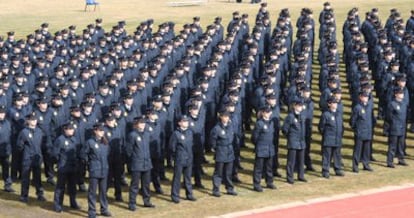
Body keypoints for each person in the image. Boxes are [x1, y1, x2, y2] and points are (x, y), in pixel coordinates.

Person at [81, 123, 112, 218]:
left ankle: (104, 209)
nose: (102, 132)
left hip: (104, 170)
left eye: (103, 130)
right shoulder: (90, 142)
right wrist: (89, 163)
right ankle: (92, 211)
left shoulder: (105, 142)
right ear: (95, 131)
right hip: (94, 170)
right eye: (100, 130)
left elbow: (108, 153)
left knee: (103, 191)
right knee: (92, 192)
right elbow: (83, 154)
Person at [125, 116, 155, 211]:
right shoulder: (132, 135)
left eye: (144, 123)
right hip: (137, 163)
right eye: (141, 123)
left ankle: (146, 201)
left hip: (147, 163)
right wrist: (134, 159)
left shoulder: (147, 134)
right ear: (136, 124)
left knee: (146, 184)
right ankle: (132, 203)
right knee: (135, 185)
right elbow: (128, 150)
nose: (142, 125)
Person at [17, 113, 46, 202]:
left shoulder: (39, 131)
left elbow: (42, 144)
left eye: (35, 119)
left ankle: (40, 194)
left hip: (37, 157)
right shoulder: (24, 132)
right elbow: (19, 145)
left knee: (37, 177)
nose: (34, 121)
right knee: (26, 177)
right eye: (32, 120)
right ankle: (24, 195)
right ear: (28, 121)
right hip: (27, 157)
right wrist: (26, 152)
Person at [52, 122, 80, 212]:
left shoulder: (75, 139)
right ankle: (58, 205)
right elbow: (55, 154)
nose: (71, 130)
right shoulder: (60, 140)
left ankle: (73, 202)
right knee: (60, 186)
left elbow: (77, 152)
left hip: (73, 166)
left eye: (72, 129)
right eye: (69, 129)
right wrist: (59, 162)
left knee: (72, 186)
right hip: (63, 166)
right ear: (65, 130)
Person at [210, 109, 238, 197]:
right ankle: (216, 189)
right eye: (224, 116)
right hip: (221, 151)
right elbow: (212, 141)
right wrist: (216, 148)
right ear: (221, 117)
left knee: (228, 172)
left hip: (229, 151)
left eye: (227, 116)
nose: (226, 118)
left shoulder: (231, 126)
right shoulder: (216, 128)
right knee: (218, 172)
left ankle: (229, 188)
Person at [170, 115, 196, 203]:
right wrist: (175, 157)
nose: (186, 123)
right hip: (179, 158)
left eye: (187, 121)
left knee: (188, 177)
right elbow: (172, 147)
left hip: (189, 158)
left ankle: (189, 194)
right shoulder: (176, 134)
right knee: (177, 177)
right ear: (179, 123)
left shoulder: (190, 132)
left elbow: (192, 144)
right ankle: (175, 195)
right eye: (184, 121)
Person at [251, 106, 276, 192]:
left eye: (269, 112)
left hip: (269, 148)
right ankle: (256, 184)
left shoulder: (271, 123)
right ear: (263, 113)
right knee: (259, 168)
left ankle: (269, 182)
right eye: (267, 112)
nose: (269, 113)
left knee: (269, 167)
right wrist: (258, 145)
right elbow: (254, 137)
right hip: (261, 148)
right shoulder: (259, 123)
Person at [282, 99, 307, 184]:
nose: (300, 107)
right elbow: (285, 129)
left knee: (301, 160)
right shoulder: (290, 116)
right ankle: (290, 177)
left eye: (301, 106)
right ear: (295, 106)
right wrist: (290, 137)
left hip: (301, 141)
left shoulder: (302, 116)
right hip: (293, 141)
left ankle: (301, 175)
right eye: (299, 105)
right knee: (291, 161)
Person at [318, 97, 344, 178]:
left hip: (337, 138)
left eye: (336, 103)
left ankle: (337, 169)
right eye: (333, 103)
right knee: (327, 156)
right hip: (328, 138)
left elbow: (341, 126)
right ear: (329, 104)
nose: (335, 105)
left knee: (337, 155)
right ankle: (325, 170)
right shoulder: (326, 114)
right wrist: (326, 134)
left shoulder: (338, 114)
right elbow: (321, 127)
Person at [350, 91, 375, 173]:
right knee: (357, 150)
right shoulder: (357, 107)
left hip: (368, 131)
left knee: (366, 150)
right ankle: (355, 165)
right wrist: (356, 129)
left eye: (367, 97)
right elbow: (352, 121)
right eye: (364, 97)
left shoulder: (369, 106)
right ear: (360, 97)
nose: (365, 98)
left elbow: (372, 118)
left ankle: (366, 164)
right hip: (360, 132)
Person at [385, 88, 408, 167]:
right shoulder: (392, 104)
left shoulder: (404, 103)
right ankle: (390, 161)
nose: (402, 95)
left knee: (401, 145)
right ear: (396, 94)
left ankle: (401, 159)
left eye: (402, 93)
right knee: (392, 146)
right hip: (394, 127)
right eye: (400, 93)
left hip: (402, 127)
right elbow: (388, 116)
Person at [0, 105, 15, 192]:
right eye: (0, 113)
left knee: (6, 168)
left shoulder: (7, 123)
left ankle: (7, 185)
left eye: (3, 113)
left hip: (5, 150)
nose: (2, 115)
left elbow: (10, 135)